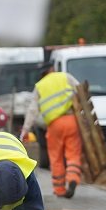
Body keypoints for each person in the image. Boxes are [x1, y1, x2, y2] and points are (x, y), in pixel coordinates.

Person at [20, 62, 82, 198]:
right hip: (72, 120)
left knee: (56, 157)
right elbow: (80, 91)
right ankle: (73, 178)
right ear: (52, 69)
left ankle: (59, 189)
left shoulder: (39, 86)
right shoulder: (65, 77)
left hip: (54, 125)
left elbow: (32, 111)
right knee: (73, 153)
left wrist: (25, 130)